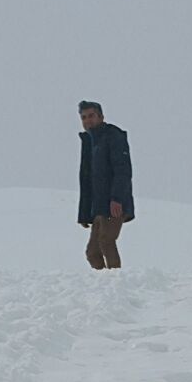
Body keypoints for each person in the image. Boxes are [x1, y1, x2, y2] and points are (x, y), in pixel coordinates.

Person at [76, 101, 133, 270]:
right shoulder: (89, 143)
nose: (88, 121)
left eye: (91, 116)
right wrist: (85, 213)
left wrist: (117, 198)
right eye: (84, 117)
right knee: (92, 252)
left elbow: (123, 170)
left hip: (114, 203)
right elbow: (87, 181)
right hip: (99, 206)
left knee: (106, 241)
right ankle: (104, 287)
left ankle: (116, 283)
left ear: (101, 116)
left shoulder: (114, 136)